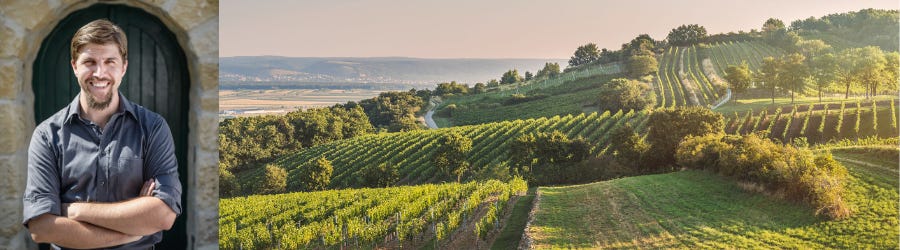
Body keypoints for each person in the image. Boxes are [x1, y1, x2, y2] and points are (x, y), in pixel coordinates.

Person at [23, 19, 181, 249]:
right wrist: (132, 231)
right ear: (74, 66)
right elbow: (42, 228)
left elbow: (163, 215)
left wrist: (75, 210)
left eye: (110, 62)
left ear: (124, 67)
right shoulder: (47, 136)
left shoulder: (153, 128)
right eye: (89, 62)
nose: (99, 73)